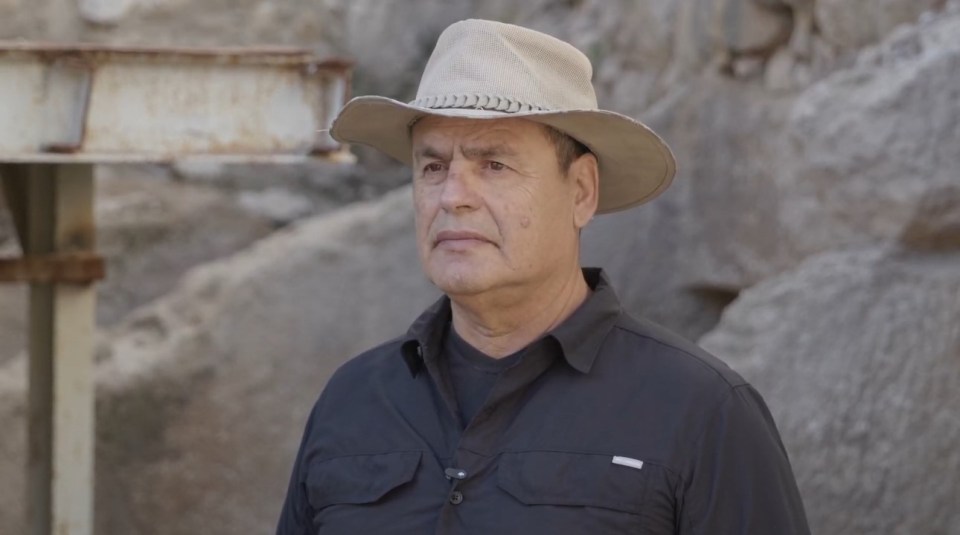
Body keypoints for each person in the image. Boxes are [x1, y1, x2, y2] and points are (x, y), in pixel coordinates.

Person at [276, 18, 810, 535]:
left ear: (581, 192)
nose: (452, 196)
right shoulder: (352, 399)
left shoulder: (703, 410)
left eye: (494, 165)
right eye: (433, 166)